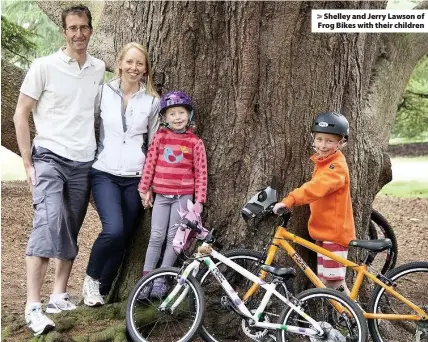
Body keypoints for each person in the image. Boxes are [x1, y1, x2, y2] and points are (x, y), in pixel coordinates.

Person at [13, 5, 105, 336]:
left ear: (91, 30)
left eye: (83, 27)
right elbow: (21, 114)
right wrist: (27, 160)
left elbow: (94, 114)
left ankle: (58, 295)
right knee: (47, 221)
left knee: (70, 226)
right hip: (49, 156)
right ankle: (33, 306)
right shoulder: (44, 67)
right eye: (72, 28)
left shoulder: (98, 68)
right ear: (64, 31)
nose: (78, 33)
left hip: (83, 160)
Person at [82, 42, 160, 306]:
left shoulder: (152, 102)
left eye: (140, 63)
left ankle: (102, 290)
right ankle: (91, 280)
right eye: (130, 62)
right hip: (104, 172)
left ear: (146, 69)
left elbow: (154, 146)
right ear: (119, 63)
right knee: (113, 230)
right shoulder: (103, 93)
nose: (134, 68)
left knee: (125, 236)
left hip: (136, 178)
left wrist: (148, 184)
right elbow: (88, 126)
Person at [273, 112, 356, 295]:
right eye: (319, 139)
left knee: (332, 283)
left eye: (329, 141)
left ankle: (354, 317)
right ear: (313, 138)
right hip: (326, 233)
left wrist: (291, 200)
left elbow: (316, 188)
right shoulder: (325, 163)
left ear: (341, 143)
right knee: (328, 282)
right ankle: (352, 316)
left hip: (335, 235)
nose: (323, 145)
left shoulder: (336, 167)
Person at [138, 91, 207, 299]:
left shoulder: (195, 142)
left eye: (181, 113)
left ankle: (161, 278)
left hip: (183, 198)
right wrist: (144, 188)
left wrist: (200, 201)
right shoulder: (160, 137)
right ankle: (146, 279)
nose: (177, 118)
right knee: (156, 236)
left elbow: (201, 173)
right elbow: (150, 164)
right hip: (161, 196)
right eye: (172, 114)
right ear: (165, 117)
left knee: (174, 239)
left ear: (189, 115)